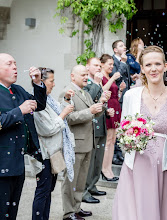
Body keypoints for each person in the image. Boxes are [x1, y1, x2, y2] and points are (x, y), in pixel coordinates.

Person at [112, 45, 167, 220]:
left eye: (157, 64)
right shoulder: (131, 96)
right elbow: (123, 129)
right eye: (148, 65)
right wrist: (129, 138)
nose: (153, 69)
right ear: (142, 68)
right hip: (138, 165)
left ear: (165, 66)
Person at [0, 53, 47, 220]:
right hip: (2, 163)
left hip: (17, 163)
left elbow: (39, 105)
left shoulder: (18, 90)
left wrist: (37, 83)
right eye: (9, 64)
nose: (15, 67)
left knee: (12, 212)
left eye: (15, 63)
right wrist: (19, 111)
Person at [59, 65, 108, 220]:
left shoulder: (85, 93)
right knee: (70, 180)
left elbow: (93, 115)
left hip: (87, 142)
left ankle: (77, 207)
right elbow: (69, 118)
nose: (86, 77)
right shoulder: (67, 92)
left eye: (87, 74)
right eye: (83, 75)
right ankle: (68, 212)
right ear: (73, 76)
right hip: (75, 144)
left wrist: (101, 103)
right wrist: (90, 111)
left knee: (81, 180)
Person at [32, 67, 75, 220]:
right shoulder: (37, 102)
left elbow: (57, 115)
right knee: (42, 191)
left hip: (54, 152)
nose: (54, 84)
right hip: (44, 154)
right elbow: (48, 128)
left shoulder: (49, 99)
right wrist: (63, 114)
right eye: (52, 81)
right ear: (42, 82)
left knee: (49, 190)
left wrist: (67, 101)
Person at [82, 57, 113, 203]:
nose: (99, 68)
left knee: (97, 160)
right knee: (89, 162)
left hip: (101, 125)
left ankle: (93, 185)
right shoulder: (86, 82)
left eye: (99, 66)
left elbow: (98, 102)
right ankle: (85, 191)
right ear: (87, 67)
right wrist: (95, 82)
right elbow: (89, 99)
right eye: (95, 65)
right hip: (91, 127)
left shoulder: (97, 83)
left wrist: (106, 110)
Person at [100, 54, 125, 180]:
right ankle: (104, 169)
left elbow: (115, 95)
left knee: (113, 140)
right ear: (102, 64)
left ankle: (109, 168)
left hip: (116, 107)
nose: (111, 66)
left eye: (112, 64)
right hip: (108, 108)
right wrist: (113, 78)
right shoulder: (101, 77)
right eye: (109, 64)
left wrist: (120, 90)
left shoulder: (110, 77)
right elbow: (102, 90)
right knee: (108, 141)